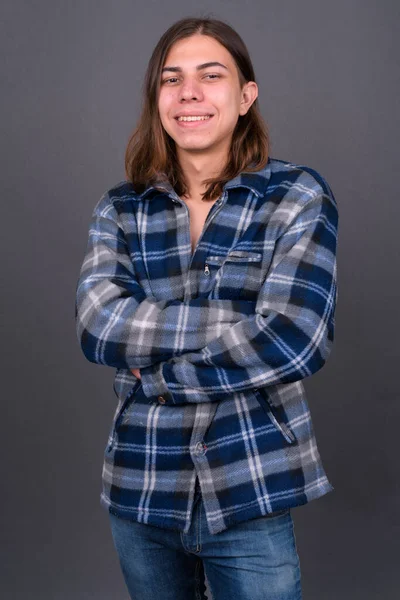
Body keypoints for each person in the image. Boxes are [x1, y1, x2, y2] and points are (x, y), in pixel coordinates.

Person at [75, 15, 338, 600]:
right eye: (171, 79)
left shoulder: (296, 196)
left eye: (210, 75)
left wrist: (162, 375)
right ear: (157, 99)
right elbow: (98, 325)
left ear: (246, 96)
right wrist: (238, 320)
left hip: (251, 482)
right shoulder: (121, 209)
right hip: (140, 484)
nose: (188, 92)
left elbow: (297, 338)